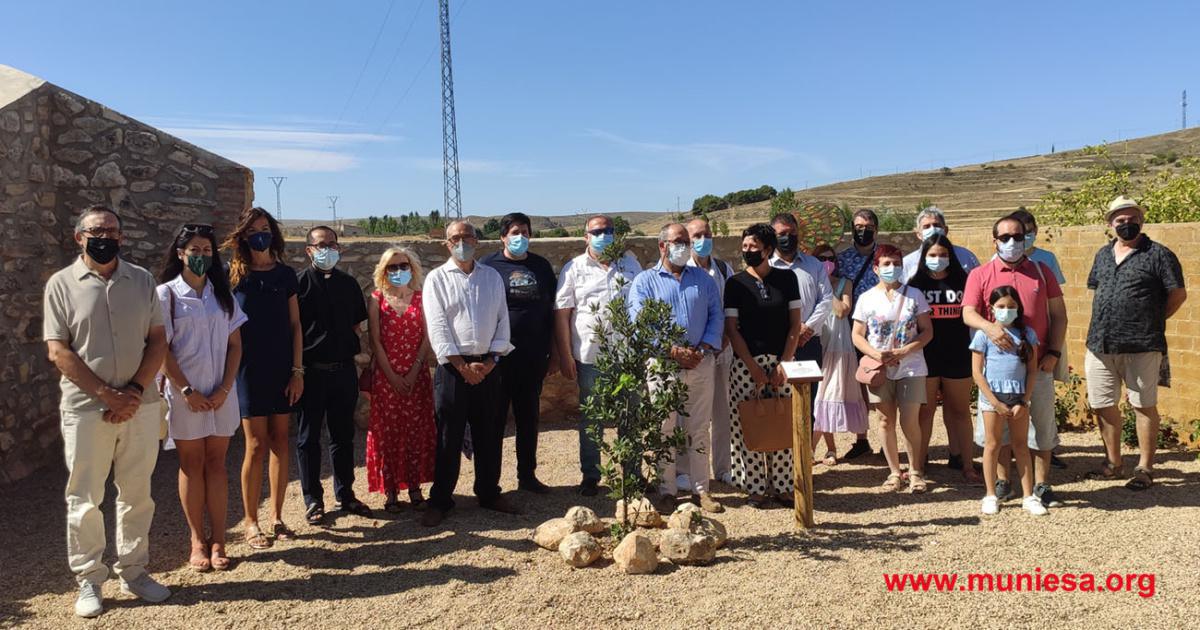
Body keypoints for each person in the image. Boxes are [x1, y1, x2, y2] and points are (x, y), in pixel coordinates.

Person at [43, 205, 171, 617]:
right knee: (85, 497)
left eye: (113, 230)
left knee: (137, 494)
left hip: (140, 405)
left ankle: (134, 571)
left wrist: (132, 391)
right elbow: (58, 350)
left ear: (122, 237)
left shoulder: (142, 280)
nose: (106, 237)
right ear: (79, 236)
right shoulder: (61, 285)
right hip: (86, 408)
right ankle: (89, 579)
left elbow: (157, 340)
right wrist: (106, 395)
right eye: (97, 230)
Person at [156, 224, 247, 571]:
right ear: (180, 254)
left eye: (207, 251)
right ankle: (197, 540)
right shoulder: (166, 295)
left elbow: (235, 345)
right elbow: (162, 349)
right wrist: (187, 391)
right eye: (194, 250)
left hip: (222, 394)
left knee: (217, 464)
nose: (201, 256)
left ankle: (220, 539)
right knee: (191, 465)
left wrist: (225, 387)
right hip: (186, 396)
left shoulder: (223, 295)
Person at [962, 213, 1067, 510]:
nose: (1011, 242)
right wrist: (989, 327)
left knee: (1042, 427)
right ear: (994, 240)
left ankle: (1042, 485)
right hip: (996, 367)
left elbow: (1059, 315)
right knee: (998, 431)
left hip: (1037, 365)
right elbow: (968, 312)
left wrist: (1054, 353)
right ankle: (1002, 482)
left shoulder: (1042, 271)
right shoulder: (980, 274)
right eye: (1004, 237)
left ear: (1027, 238)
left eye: (1017, 236)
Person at [1084, 196, 1186, 491]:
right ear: (1110, 223)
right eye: (1120, 219)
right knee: (1103, 405)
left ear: (1141, 221)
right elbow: (1097, 290)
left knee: (1143, 405)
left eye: (1132, 219)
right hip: (1100, 344)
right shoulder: (1102, 255)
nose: (1127, 224)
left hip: (1142, 344)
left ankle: (1144, 467)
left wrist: (1152, 320)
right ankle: (1113, 463)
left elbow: (1178, 294)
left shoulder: (1159, 254)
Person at [421, 221, 517, 526]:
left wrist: (490, 361)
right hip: (452, 369)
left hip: (488, 366)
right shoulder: (436, 279)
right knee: (448, 436)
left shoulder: (491, 277)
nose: (462, 242)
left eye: (467, 237)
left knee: (489, 432)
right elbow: (437, 328)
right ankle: (441, 500)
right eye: (455, 238)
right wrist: (462, 366)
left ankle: (489, 492)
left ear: (477, 241)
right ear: (447, 244)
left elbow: (503, 320)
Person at [629, 223, 725, 513]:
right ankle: (667, 490)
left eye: (686, 241)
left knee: (699, 428)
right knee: (664, 428)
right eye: (679, 241)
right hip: (663, 366)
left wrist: (704, 347)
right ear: (663, 246)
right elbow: (639, 324)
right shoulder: (645, 282)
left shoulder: (703, 280)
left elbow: (716, 316)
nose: (685, 245)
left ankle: (701, 490)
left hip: (700, 363)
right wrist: (671, 350)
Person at [224, 207, 302, 549]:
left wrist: (297, 371)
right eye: (254, 230)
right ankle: (252, 521)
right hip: (247, 368)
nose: (260, 235)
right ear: (243, 236)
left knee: (280, 441)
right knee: (254, 445)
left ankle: (277, 516)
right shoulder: (232, 276)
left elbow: (296, 325)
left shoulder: (285, 275)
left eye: (265, 228)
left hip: (282, 366)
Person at [555, 215, 641, 496]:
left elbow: (641, 303)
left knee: (630, 416)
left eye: (609, 230)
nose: (604, 235)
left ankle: (632, 474)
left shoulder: (630, 264)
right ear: (586, 236)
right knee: (592, 419)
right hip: (590, 357)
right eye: (598, 231)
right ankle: (591, 476)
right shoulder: (574, 269)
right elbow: (563, 314)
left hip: (627, 356)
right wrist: (565, 355)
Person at [724, 223, 806, 508]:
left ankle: (783, 486)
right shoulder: (734, 284)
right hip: (746, 364)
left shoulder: (788, 279)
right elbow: (733, 329)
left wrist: (785, 362)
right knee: (748, 423)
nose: (748, 251)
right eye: (745, 246)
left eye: (754, 247)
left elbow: (795, 324)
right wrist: (752, 367)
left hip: (782, 361)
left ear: (768, 250)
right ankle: (755, 487)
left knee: (782, 422)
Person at [295, 226, 372, 523]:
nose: (327, 249)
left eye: (332, 244)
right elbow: (294, 331)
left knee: (342, 435)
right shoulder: (299, 284)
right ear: (309, 250)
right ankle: (313, 499)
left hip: (343, 372)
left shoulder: (349, 284)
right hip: (311, 373)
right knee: (308, 438)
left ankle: (346, 494)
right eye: (321, 245)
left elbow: (356, 327)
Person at [481, 212, 559, 494]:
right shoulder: (488, 266)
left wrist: (554, 353)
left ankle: (527, 476)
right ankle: (491, 481)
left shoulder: (540, 266)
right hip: (498, 359)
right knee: (495, 420)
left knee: (529, 419)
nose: (520, 237)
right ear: (503, 236)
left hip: (533, 356)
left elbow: (552, 311)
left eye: (525, 232)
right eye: (514, 232)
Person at [851, 244, 934, 493]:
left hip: (911, 366)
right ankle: (895, 472)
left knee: (910, 420)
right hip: (879, 368)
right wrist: (875, 353)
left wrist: (905, 351)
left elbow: (927, 330)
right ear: (876, 268)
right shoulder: (866, 298)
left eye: (896, 263)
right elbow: (857, 334)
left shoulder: (914, 295)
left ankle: (916, 472)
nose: (892, 268)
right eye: (886, 263)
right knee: (885, 420)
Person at [366, 247, 436, 511]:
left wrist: (415, 369)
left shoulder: (421, 298)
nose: (398, 271)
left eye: (402, 265)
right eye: (392, 267)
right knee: (388, 433)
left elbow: (427, 337)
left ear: (412, 268)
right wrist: (392, 376)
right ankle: (391, 490)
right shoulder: (376, 299)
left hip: (416, 376)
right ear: (384, 271)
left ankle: (416, 487)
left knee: (416, 430)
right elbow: (375, 341)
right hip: (387, 378)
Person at [908, 234, 980, 482]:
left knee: (960, 410)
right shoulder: (914, 285)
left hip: (958, 354)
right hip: (925, 356)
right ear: (924, 257)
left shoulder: (965, 281)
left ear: (950, 256)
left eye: (943, 255)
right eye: (932, 255)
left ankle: (968, 465)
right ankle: (918, 465)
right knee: (924, 413)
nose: (938, 259)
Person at [972, 287, 1046, 516]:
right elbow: (977, 372)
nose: (1006, 310)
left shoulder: (1027, 335)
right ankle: (990, 494)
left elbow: (1032, 371)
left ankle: (1028, 496)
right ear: (992, 308)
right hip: (992, 398)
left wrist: (1023, 401)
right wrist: (994, 403)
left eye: (1011, 307)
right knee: (992, 445)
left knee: (1021, 445)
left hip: (1018, 397)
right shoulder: (983, 335)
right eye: (1001, 306)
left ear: (1018, 309)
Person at [1008, 208, 1069, 470]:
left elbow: (1056, 304)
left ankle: (1045, 451)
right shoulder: (995, 262)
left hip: (1044, 343)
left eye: (1028, 230)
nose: (1022, 237)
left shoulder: (1045, 262)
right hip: (1010, 347)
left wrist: (1054, 348)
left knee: (1042, 400)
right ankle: (1015, 452)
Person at [685, 218, 736, 485]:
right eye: (696, 235)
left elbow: (730, 309)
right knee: (692, 414)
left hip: (723, 350)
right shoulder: (683, 269)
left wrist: (725, 338)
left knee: (723, 411)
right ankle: (690, 471)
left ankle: (723, 468)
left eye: (706, 234)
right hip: (696, 353)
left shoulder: (724, 269)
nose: (703, 240)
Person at [810, 243, 867, 466]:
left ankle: (811, 449)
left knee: (828, 395)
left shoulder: (845, 284)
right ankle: (830, 449)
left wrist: (826, 285)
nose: (827, 261)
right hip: (817, 342)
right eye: (821, 258)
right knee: (818, 398)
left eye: (830, 257)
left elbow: (843, 311)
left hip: (838, 346)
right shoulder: (811, 283)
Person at [835, 208, 881, 459]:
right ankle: (862, 438)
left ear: (876, 229)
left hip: (881, 329)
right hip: (854, 328)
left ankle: (888, 440)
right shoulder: (842, 259)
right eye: (858, 226)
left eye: (867, 226)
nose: (862, 230)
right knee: (859, 383)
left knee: (883, 385)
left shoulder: (885, 257)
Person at [901, 206, 981, 281]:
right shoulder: (907, 263)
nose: (932, 229)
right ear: (918, 234)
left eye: (936, 225)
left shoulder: (966, 257)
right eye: (926, 227)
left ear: (945, 230)